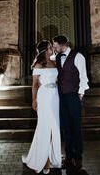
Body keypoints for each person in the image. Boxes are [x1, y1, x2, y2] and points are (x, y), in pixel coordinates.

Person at [22, 40, 62, 174]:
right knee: (45, 126)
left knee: (54, 126)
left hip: (55, 96)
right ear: (45, 50)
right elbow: (34, 85)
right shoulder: (38, 65)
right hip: (44, 96)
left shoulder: (54, 62)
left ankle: (53, 156)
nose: (53, 48)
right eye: (51, 47)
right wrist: (34, 100)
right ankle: (44, 161)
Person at [52, 35, 89, 173]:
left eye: (55, 45)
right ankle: (68, 156)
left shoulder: (78, 56)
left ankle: (77, 157)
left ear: (63, 45)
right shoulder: (56, 57)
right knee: (66, 127)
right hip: (62, 97)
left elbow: (83, 77)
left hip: (74, 96)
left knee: (76, 127)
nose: (54, 48)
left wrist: (80, 94)